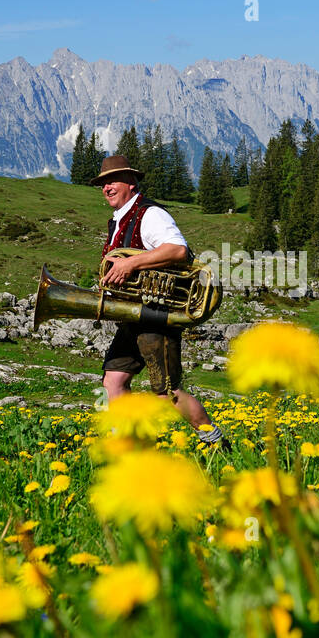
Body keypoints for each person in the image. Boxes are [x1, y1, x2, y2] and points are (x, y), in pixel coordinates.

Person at [93, 154, 229, 450]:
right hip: (133, 314)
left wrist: (131, 265)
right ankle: (130, 448)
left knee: (167, 394)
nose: (106, 187)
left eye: (112, 180)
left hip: (157, 314)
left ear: (131, 181)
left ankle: (216, 443)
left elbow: (178, 250)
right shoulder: (119, 219)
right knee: (113, 381)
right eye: (103, 183)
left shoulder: (149, 214)